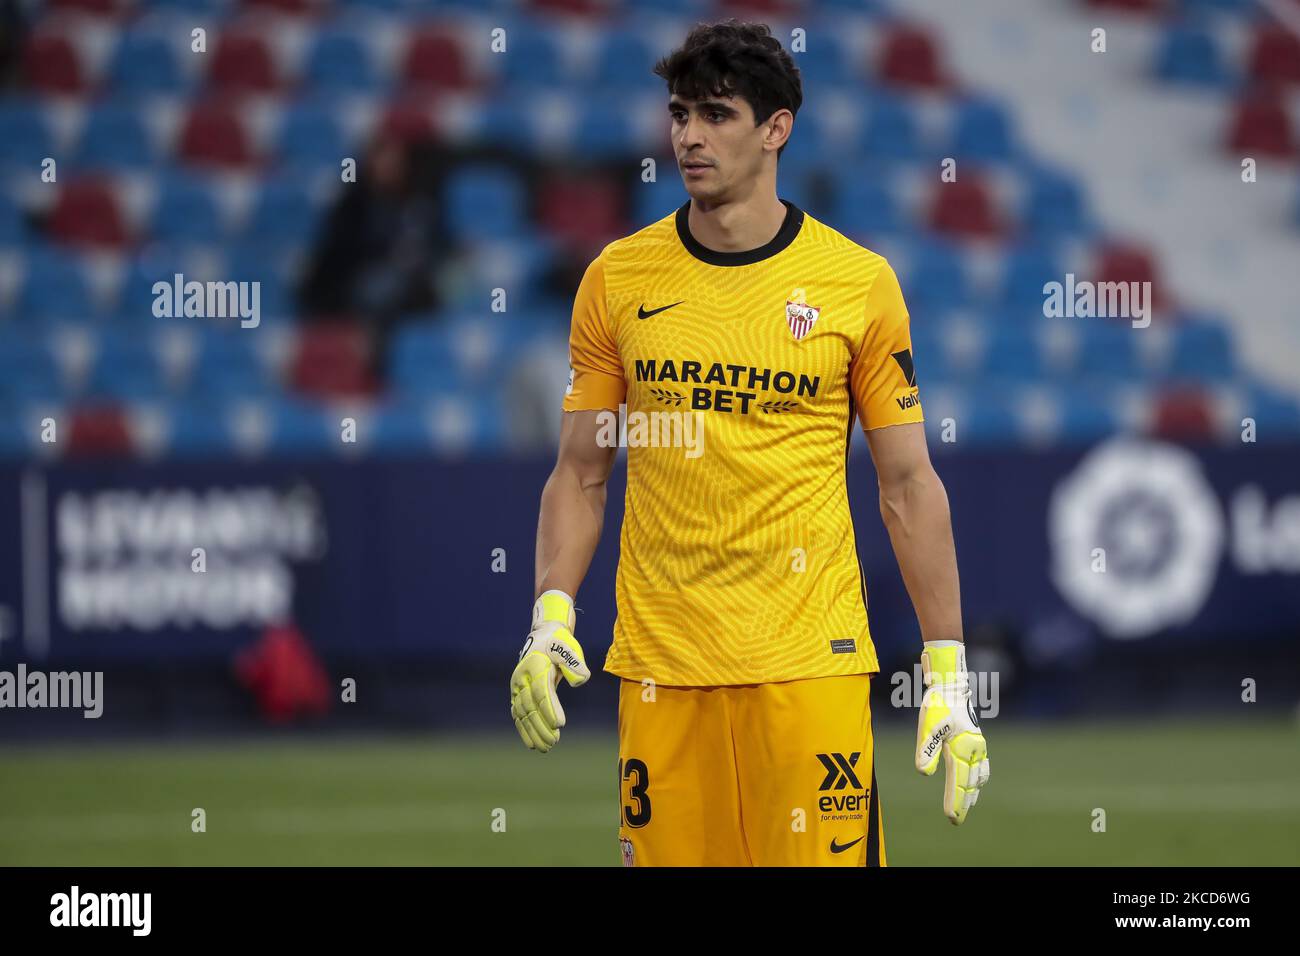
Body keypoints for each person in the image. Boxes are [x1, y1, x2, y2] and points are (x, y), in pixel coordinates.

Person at [509, 19, 989, 866]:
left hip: (810, 667)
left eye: (718, 114)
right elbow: (581, 474)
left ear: (777, 129)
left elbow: (908, 485)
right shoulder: (617, 279)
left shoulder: (859, 286)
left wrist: (946, 670)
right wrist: (550, 616)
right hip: (661, 668)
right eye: (680, 113)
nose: (690, 136)